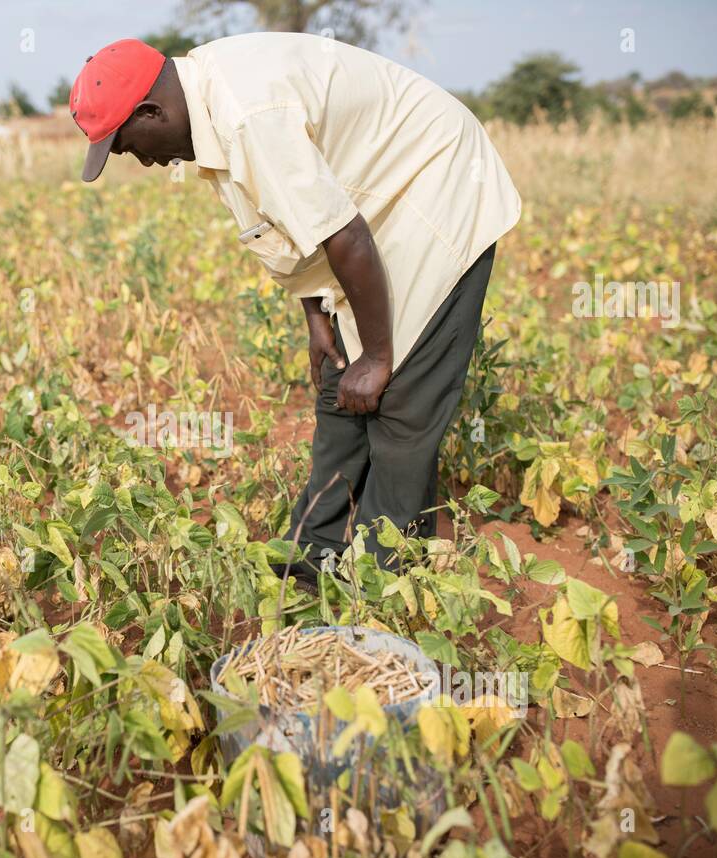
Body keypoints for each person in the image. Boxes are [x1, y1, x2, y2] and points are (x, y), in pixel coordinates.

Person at [70, 33, 520, 587]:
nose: (139, 160)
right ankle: (313, 560)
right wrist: (317, 317)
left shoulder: (247, 115)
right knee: (340, 385)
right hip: (367, 217)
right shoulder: (208, 109)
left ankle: (383, 586)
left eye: (125, 144)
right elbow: (289, 225)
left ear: (151, 111)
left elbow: (346, 234)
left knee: (402, 400)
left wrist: (378, 356)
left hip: (433, 191)